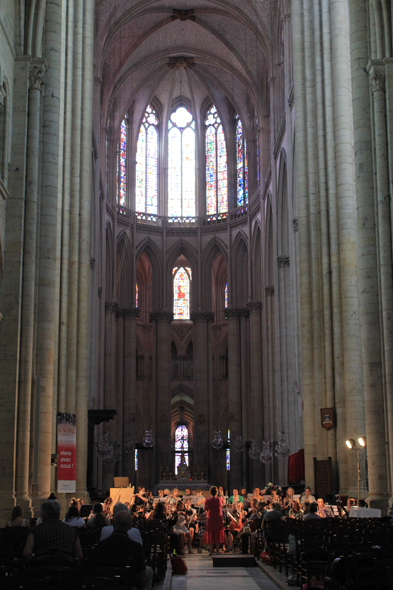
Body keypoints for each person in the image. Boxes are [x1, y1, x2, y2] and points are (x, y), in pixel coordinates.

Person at [90, 510, 153, 590]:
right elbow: (142, 577)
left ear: (113, 524)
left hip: (105, 585)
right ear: (130, 526)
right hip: (127, 585)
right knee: (149, 572)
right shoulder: (136, 547)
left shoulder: (101, 545)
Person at [23, 500, 83, 567]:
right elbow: (79, 554)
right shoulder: (71, 530)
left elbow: (27, 553)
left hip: (41, 568)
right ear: (58, 514)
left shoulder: (36, 530)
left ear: (43, 515)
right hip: (66, 569)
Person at [203, 486, 225, 556]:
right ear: (217, 492)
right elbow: (222, 505)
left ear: (210, 492)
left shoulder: (207, 500)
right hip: (218, 517)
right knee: (218, 532)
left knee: (210, 533)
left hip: (210, 518)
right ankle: (217, 551)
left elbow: (205, 508)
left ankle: (211, 551)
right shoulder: (220, 499)